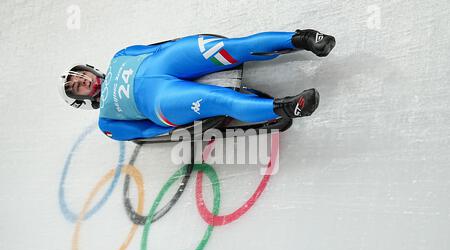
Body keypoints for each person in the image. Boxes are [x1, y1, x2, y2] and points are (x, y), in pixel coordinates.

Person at [59, 29, 335, 141]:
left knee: (231, 47)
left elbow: (159, 47)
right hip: (160, 101)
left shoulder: (119, 56)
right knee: (218, 100)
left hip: (167, 61)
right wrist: (180, 123)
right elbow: (149, 131)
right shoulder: (107, 122)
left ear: (89, 69)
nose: (81, 80)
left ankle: (303, 39)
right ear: (82, 100)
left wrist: (184, 46)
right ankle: (286, 107)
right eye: (77, 87)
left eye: (78, 75)